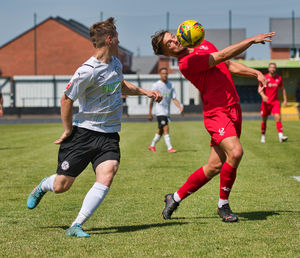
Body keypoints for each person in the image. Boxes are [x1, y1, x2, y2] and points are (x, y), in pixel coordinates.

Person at [27, 17, 162, 238]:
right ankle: (44, 185)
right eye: (116, 36)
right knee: (62, 185)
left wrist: (145, 92)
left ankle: (76, 225)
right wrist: (68, 129)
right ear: (109, 39)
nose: (119, 40)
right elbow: (67, 99)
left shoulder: (116, 64)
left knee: (108, 173)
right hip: (84, 134)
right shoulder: (87, 71)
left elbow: (119, 85)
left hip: (109, 135)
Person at [151, 29, 274, 222]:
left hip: (234, 108)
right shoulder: (186, 63)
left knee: (214, 166)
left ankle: (174, 198)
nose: (174, 40)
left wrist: (255, 73)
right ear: (167, 54)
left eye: (173, 36)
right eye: (169, 43)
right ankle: (223, 205)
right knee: (235, 152)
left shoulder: (202, 44)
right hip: (216, 113)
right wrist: (250, 40)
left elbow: (228, 64)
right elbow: (223, 55)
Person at [148, 67, 183, 153]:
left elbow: (174, 98)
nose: (165, 75)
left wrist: (179, 107)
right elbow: (152, 100)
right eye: (163, 73)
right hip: (159, 111)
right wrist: (150, 112)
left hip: (166, 112)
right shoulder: (156, 85)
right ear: (160, 74)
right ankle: (169, 148)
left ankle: (152, 145)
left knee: (160, 130)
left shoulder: (171, 85)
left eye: (166, 73)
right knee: (166, 128)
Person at [259, 63, 288, 143]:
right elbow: (259, 88)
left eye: (274, 68)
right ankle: (263, 136)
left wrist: (285, 100)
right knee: (264, 120)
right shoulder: (264, 77)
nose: (272, 69)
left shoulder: (279, 78)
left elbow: (282, 89)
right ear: (268, 69)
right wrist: (263, 95)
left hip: (275, 102)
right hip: (266, 102)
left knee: (278, 117)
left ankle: (281, 136)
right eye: (271, 67)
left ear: (275, 69)